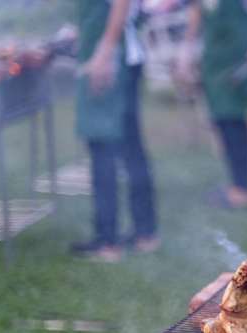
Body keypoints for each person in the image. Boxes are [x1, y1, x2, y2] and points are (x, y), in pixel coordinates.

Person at [72, 0, 159, 262]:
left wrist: (105, 51)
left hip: (112, 60)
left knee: (103, 147)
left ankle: (108, 241)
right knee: (131, 147)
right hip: (122, 56)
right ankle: (146, 234)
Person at [178, 0, 247, 209]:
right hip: (213, 56)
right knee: (222, 120)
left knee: (234, 118)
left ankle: (242, 189)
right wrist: (186, 49)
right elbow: (197, 8)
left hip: (235, 50)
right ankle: (237, 185)